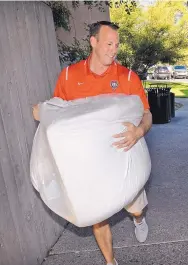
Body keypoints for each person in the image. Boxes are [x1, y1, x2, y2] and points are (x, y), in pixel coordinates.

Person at [32, 21, 152, 265]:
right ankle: (111, 262)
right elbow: (59, 114)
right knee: (98, 216)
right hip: (90, 164)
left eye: (116, 45)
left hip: (124, 154)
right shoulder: (69, 75)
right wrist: (43, 112)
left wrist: (139, 131)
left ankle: (139, 219)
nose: (113, 49)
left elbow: (147, 113)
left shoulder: (128, 77)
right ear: (94, 42)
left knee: (136, 208)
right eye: (109, 43)